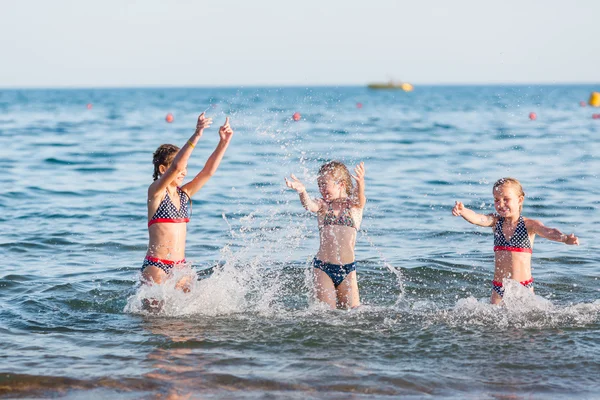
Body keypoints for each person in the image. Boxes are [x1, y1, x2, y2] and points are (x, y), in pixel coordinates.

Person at [142, 112, 234, 293]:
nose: (184, 172)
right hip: (157, 266)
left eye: (186, 168)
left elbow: (208, 171)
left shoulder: (184, 194)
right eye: (180, 168)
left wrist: (224, 142)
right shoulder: (156, 192)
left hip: (180, 268)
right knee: (154, 319)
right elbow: (176, 166)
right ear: (163, 169)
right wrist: (197, 134)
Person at [452, 177, 579, 304]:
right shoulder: (496, 222)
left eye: (506, 199)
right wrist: (463, 211)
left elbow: (547, 231)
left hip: (523, 288)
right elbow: (478, 218)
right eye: (497, 200)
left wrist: (564, 238)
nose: (501, 204)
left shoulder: (529, 225)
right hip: (499, 287)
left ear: (520, 200)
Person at [285, 161, 366, 309]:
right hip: (323, 268)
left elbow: (361, 200)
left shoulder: (352, 207)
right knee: (327, 314)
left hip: (348, 270)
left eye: (325, 184)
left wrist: (360, 183)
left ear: (340, 184)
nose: (321, 189)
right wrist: (302, 191)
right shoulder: (323, 205)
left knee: (354, 313)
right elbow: (309, 205)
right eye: (319, 185)